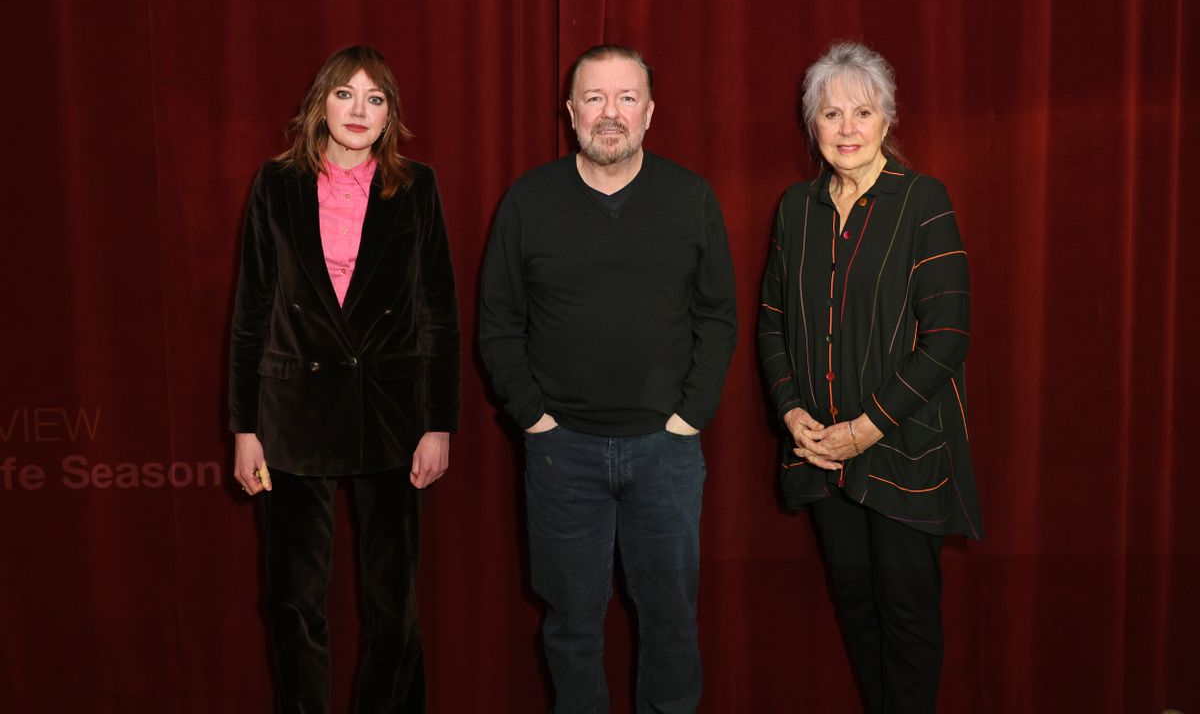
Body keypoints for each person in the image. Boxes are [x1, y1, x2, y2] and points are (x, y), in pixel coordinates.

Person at [480, 44, 737, 713]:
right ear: (570, 113)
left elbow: (718, 315)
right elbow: (498, 322)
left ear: (650, 113)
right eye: (594, 98)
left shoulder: (690, 198)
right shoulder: (528, 202)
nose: (610, 114)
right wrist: (536, 419)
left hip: (666, 451)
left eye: (626, 98)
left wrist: (690, 417)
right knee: (570, 628)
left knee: (673, 624)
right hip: (563, 454)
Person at [228, 44, 459, 713]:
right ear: (319, 104)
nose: (359, 110)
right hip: (292, 412)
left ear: (391, 115)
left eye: (375, 98)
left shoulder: (418, 187)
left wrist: (440, 423)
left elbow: (438, 314)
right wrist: (244, 429)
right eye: (345, 94)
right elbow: (250, 314)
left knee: (395, 605)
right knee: (293, 600)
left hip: (392, 412)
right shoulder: (276, 185)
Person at [757, 41, 983, 713]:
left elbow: (948, 339)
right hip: (821, 454)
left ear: (887, 121)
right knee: (856, 609)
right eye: (832, 114)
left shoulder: (922, 201)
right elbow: (771, 319)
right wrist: (792, 412)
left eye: (863, 112)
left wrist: (867, 428)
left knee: (908, 617)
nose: (848, 129)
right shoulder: (796, 208)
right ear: (812, 125)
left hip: (904, 451)